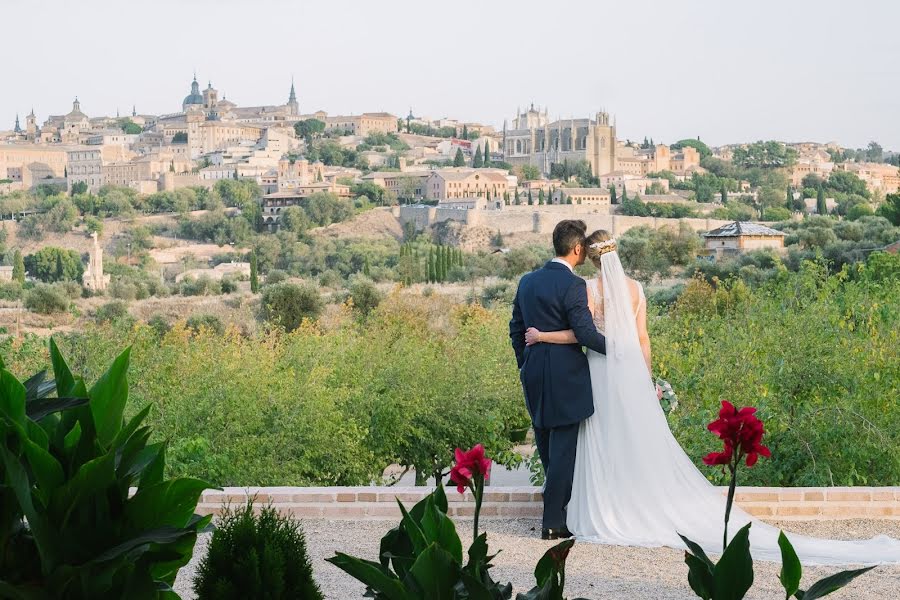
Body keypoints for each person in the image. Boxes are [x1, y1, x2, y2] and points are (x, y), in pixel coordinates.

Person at [522, 229, 900, 565]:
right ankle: (636, 501)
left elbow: (582, 335)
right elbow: (643, 339)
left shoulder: (586, 289)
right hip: (630, 371)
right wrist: (644, 376)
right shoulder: (636, 290)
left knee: (599, 437)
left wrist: (543, 336)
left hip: (598, 371)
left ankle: (603, 507)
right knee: (636, 438)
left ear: (588, 257)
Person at [509, 220, 606, 540]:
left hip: (534, 372)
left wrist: (525, 362)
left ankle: (557, 512)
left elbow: (515, 329)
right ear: (578, 249)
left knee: (546, 444)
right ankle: (553, 522)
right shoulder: (574, 286)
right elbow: (586, 334)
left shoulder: (527, 281)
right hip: (566, 376)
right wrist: (621, 351)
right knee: (563, 450)